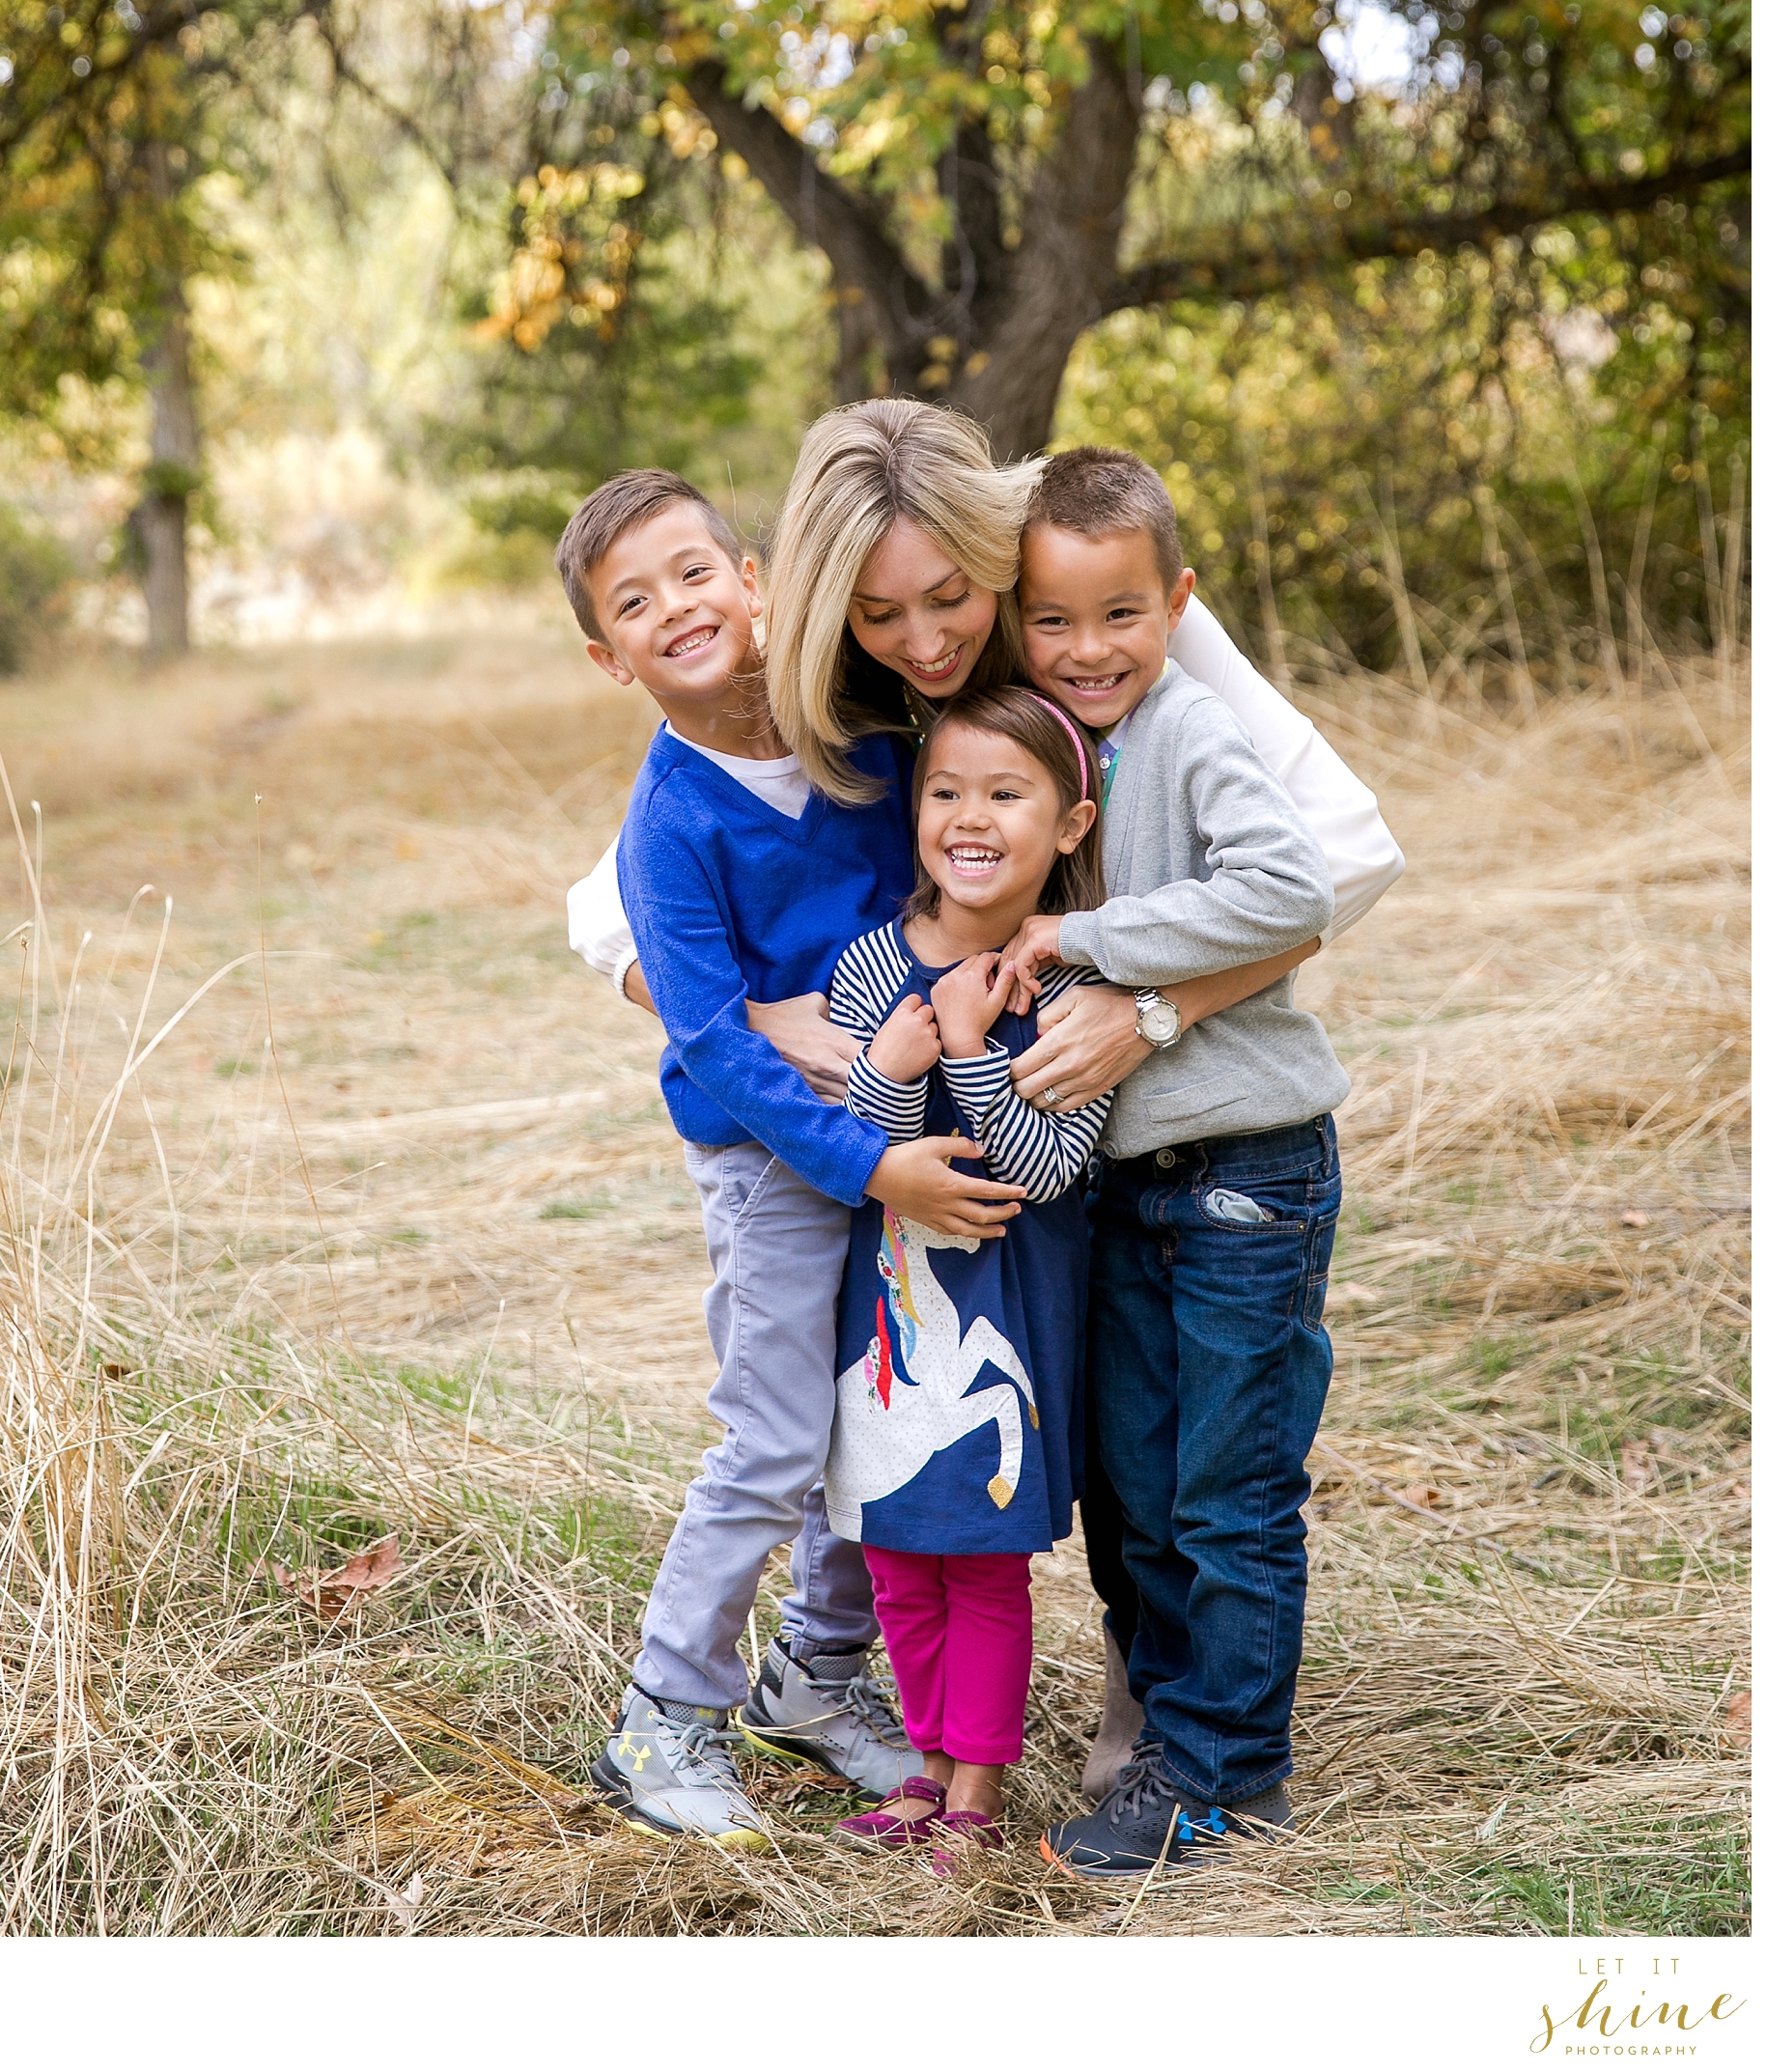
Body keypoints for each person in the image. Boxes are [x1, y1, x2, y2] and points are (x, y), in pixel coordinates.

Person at [567, 398, 1405, 1792]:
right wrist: (783, 1025)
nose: (929, 643)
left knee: (1118, 1425)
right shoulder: (823, 661)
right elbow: (608, 914)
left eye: (956, 598)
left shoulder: (1104, 603)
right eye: (887, 616)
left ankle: (1164, 1723)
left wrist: (1151, 1010)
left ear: (1000, 554)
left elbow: (1350, 853)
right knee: (901, 1403)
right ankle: (790, 1686)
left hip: (1137, 1100)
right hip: (933, 1102)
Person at [556, 463, 1018, 1847]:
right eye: (634, 603)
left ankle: (815, 1676)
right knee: (770, 1435)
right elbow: (715, 1046)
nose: (677, 608)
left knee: (876, 1416)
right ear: (606, 655)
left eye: (695, 571)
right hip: (774, 1165)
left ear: (757, 579)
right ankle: (662, 1716)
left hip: (905, 1133)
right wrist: (872, 1169)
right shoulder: (671, 826)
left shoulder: (863, 741)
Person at [1001, 448, 1347, 1881]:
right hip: (1131, 1184)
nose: (1089, 652)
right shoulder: (1060, 746)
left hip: (1245, 1176)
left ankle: (1224, 1771)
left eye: (1122, 615)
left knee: (1226, 1484)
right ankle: (1168, 1732)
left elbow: (1293, 889)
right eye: (1057, 620)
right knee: (1129, 1485)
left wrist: (1092, 941)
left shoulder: (1195, 731)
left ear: (1178, 603)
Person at [820, 686, 1116, 1866]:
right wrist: (896, 1060)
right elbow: (851, 1154)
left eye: (1005, 792)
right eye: (945, 790)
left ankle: (978, 1789)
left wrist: (961, 1048)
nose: (968, 815)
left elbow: (1044, 1169)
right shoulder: (867, 965)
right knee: (894, 1551)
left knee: (981, 1561)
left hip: (1014, 1308)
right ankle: (924, 1762)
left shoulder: (1075, 980)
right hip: (886, 1305)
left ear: (1069, 825)